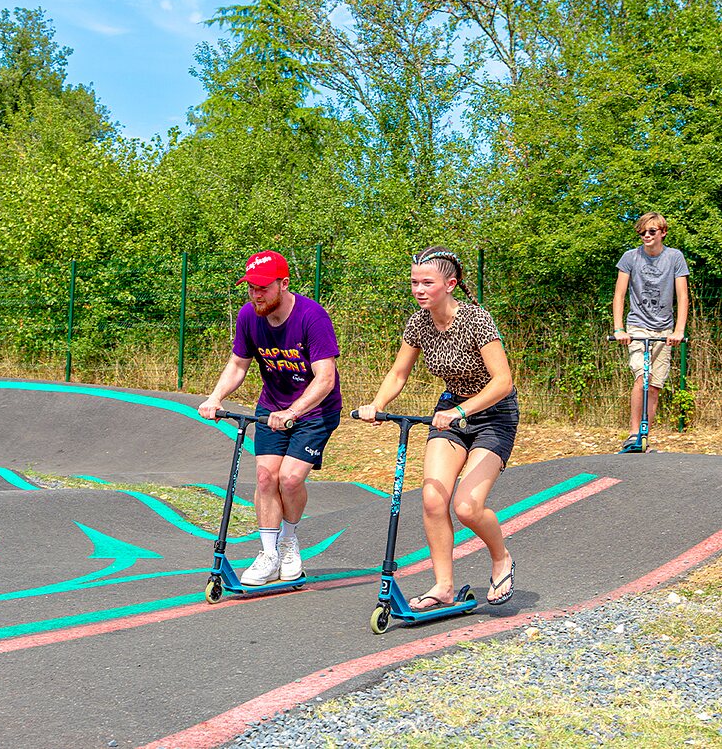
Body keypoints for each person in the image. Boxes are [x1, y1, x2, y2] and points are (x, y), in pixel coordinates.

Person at [357, 247, 518, 608]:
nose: (419, 289)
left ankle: (501, 558)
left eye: (427, 282)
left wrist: (462, 410)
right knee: (432, 499)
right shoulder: (419, 323)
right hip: (450, 411)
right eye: (414, 282)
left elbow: (503, 381)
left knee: (467, 507)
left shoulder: (476, 319)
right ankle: (444, 585)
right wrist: (377, 405)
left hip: (493, 414)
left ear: (450, 284)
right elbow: (398, 373)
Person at [198, 250, 342, 585]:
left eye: (263, 287)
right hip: (272, 407)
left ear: (284, 284)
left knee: (289, 479)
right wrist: (215, 397)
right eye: (251, 287)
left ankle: (288, 543)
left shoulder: (312, 317)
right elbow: (238, 364)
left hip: (315, 410)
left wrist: (293, 412)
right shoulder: (249, 316)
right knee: (265, 477)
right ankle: (268, 554)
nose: (256, 294)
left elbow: (325, 379)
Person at [611, 212, 690, 449]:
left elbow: (682, 296)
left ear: (663, 233)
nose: (646, 235)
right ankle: (634, 433)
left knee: (654, 385)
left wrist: (678, 330)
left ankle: (645, 436)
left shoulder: (674, 257)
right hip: (638, 326)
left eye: (652, 231)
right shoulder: (630, 257)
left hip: (664, 329)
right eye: (642, 232)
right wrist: (619, 328)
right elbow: (619, 295)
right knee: (642, 377)